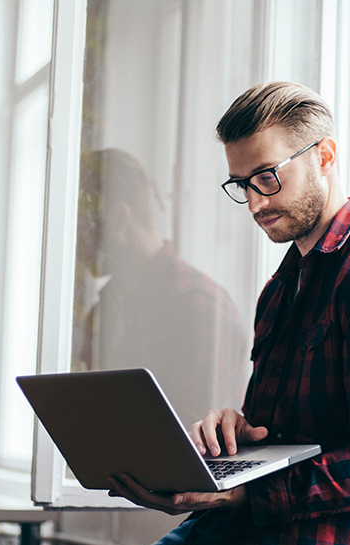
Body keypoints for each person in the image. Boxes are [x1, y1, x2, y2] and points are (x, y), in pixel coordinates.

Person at [108, 81, 350, 545]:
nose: (255, 203)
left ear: (324, 156)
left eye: (268, 176)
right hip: (228, 535)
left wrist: (244, 493)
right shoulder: (280, 287)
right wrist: (234, 434)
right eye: (242, 184)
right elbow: (284, 436)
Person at [72, 148, 249, 425]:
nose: (75, 247)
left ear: (118, 219)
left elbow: (199, 449)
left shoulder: (199, 306)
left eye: (80, 229)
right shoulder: (110, 303)